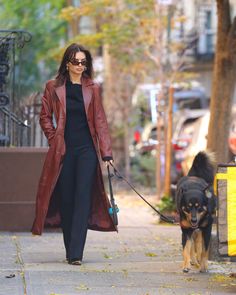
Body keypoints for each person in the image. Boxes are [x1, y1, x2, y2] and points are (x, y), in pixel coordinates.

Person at [31, 43, 117, 265]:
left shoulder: (92, 88)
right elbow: (44, 116)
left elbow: (100, 120)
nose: (80, 66)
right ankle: (71, 247)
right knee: (67, 199)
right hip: (63, 151)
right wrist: (54, 138)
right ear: (67, 63)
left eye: (83, 62)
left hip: (87, 150)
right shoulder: (53, 87)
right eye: (76, 62)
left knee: (82, 198)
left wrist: (106, 151)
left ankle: (76, 253)